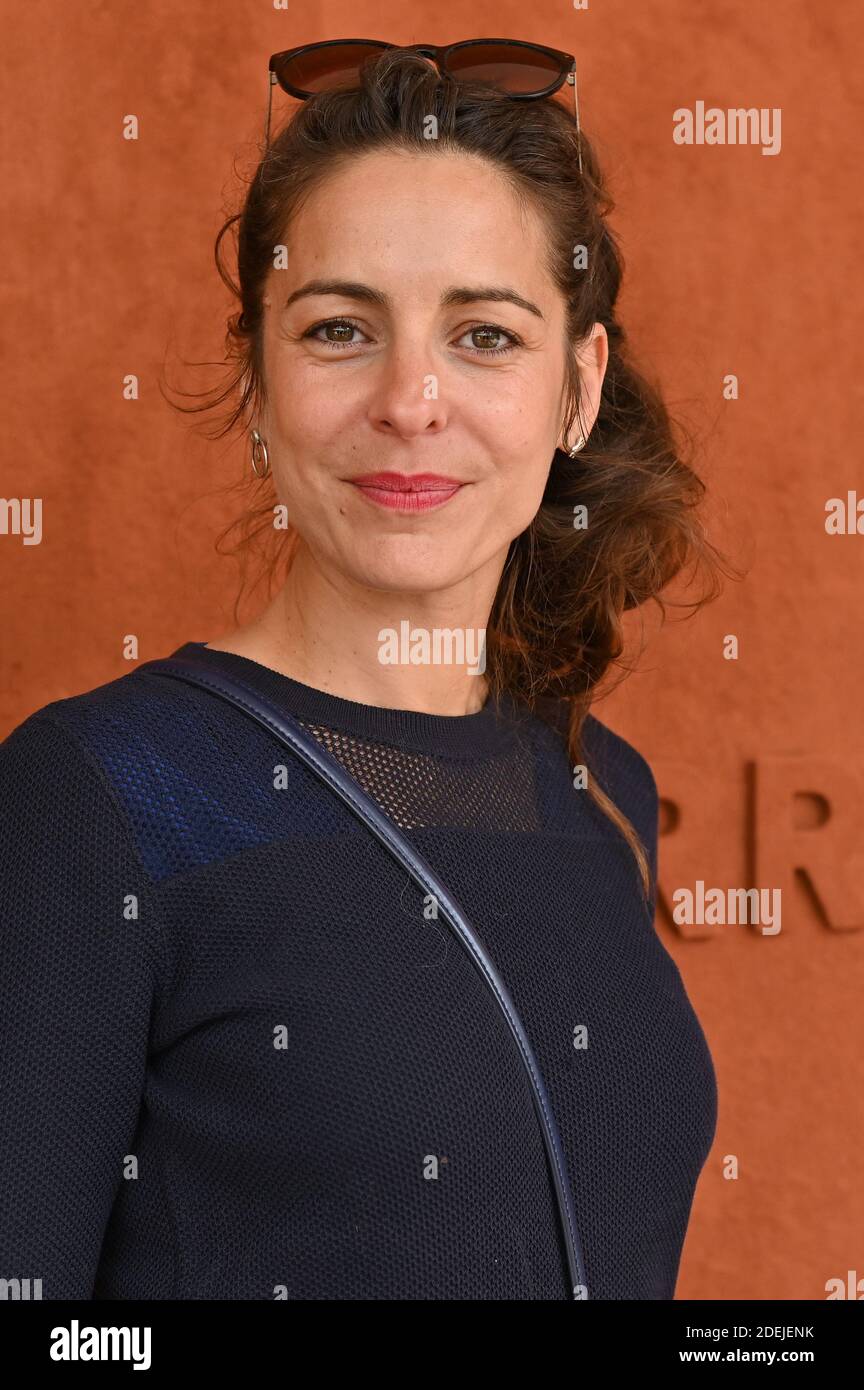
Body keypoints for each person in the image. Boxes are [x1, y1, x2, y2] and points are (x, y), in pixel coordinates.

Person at [0, 43, 726, 1300]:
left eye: (485, 334)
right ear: (257, 380)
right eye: (339, 328)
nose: (410, 399)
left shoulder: (601, 786)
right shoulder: (104, 798)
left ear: (577, 388)